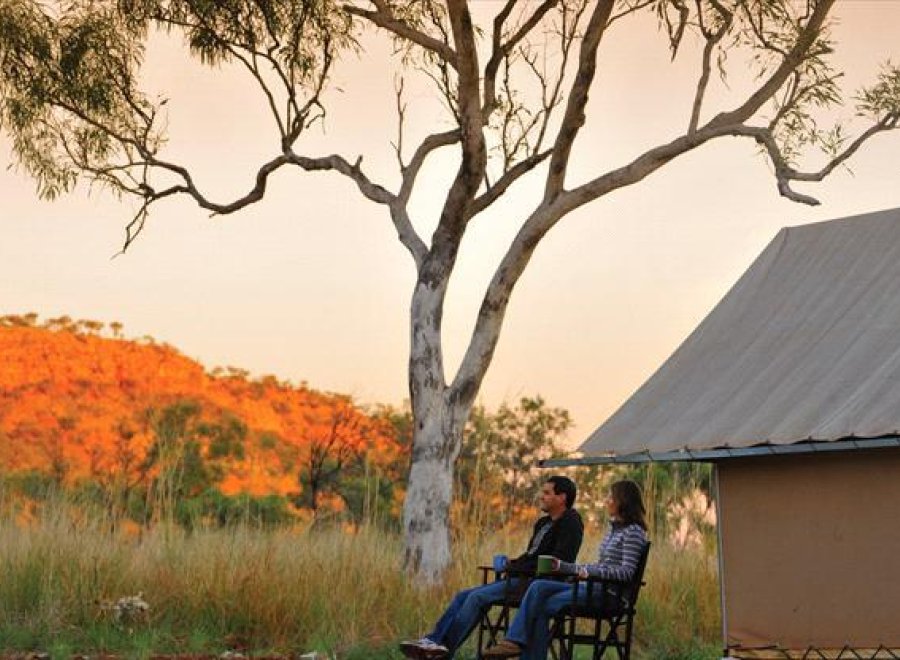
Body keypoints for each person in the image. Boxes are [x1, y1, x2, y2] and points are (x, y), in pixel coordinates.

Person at [399, 475, 584, 660]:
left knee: (477, 597)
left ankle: (441, 650)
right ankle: (435, 642)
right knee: (462, 596)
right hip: (522, 578)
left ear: (562, 497)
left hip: (540, 582)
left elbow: (558, 560)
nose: (541, 496)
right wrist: (512, 563)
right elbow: (532, 555)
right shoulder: (543, 523)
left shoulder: (571, 522)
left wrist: (518, 567)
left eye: (547, 493)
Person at [481, 479, 649, 660]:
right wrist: (564, 567)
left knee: (541, 605)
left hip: (608, 596)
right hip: (591, 587)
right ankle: (514, 642)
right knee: (539, 586)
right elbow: (602, 566)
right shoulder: (613, 530)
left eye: (611, 497)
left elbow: (626, 573)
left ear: (623, 501)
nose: (607, 500)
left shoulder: (633, 532)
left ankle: (516, 644)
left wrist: (591, 573)